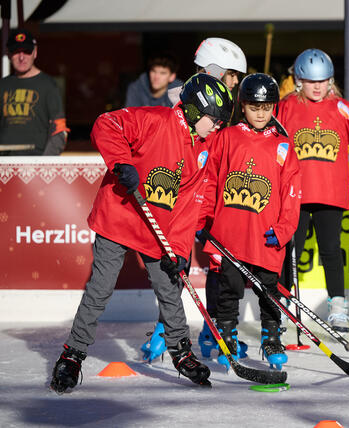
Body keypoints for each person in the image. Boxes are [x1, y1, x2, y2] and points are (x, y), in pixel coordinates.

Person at [49, 73, 233, 393]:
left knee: (169, 287)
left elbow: (187, 205)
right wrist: (121, 163)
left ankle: (180, 352)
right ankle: (73, 354)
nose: (217, 126)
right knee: (101, 288)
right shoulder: (153, 119)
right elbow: (106, 124)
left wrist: (178, 249)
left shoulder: (201, 149)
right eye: (213, 120)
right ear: (192, 110)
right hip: (118, 218)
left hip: (156, 229)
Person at [140, 37, 249, 362]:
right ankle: (165, 331)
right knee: (177, 264)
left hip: (219, 195)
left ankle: (213, 329)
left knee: (219, 264)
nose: (235, 84)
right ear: (215, 72)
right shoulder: (182, 104)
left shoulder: (227, 107)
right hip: (188, 198)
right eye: (232, 76)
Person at [198, 73, 300, 370]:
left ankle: (271, 338)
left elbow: (292, 194)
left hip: (266, 234)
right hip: (229, 233)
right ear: (242, 106)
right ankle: (227, 337)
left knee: (269, 289)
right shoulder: (225, 138)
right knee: (228, 288)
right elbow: (209, 181)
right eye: (255, 107)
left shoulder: (283, 146)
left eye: (267, 107)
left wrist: (283, 230)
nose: (260, 113)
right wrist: (203, 221)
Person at [277, 48, 349, 332]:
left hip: (330, 193)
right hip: (295, 194)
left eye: (323, 81)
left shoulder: (343, 109)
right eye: (311, 81)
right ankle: (284, 303)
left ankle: (338, 307)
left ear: (331, 80)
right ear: (299, 81)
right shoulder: (285, 107)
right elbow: (269, 141)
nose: (318, 86)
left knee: (331, 250)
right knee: (290, 250)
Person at [0, 29, 69, 155]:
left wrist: (43, 164)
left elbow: (59, 130)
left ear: (35, 52)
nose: (21, 57)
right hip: (4, 163)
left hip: (35, 162)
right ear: (9, 54)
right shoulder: (2, 85)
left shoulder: (49, 85)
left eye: (26, 51)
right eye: (16, 51)